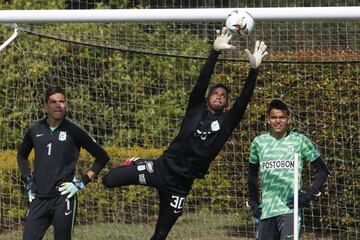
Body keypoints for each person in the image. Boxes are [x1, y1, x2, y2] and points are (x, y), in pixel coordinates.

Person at [102, 27, 268, 240]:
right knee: (108, 180)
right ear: (208, 97)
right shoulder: (195, 108)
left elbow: (243, 101)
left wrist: (253, 71)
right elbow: (202, 81)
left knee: (160, 235)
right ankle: (139, 162)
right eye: (215, 93)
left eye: (223, 95)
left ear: (226, 102)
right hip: (160, 168)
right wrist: (214, 52)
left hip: (180, 186)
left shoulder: (226, 122)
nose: (219, 96)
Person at [17, 86, 110, 240]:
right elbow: (21, 156)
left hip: (63, 197)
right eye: (53, 102)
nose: (58, 105)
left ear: (66, 105)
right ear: (45, 106)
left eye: (61, 101)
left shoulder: (75, 131)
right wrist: (28, 181)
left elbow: (102, 157)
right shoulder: (34, 130)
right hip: (39, 198)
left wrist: (80, 184)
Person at [247, 99, 329, 240]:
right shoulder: (258, 142)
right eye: (274, 117)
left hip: (290, 210)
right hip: (267, 210)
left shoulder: (299, 140)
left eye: (282, 117)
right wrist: (254, 201)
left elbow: (323, 170)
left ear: (288, 119)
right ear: (268, 120)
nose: (278, 121)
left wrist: (308, 196)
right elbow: (252, 175)